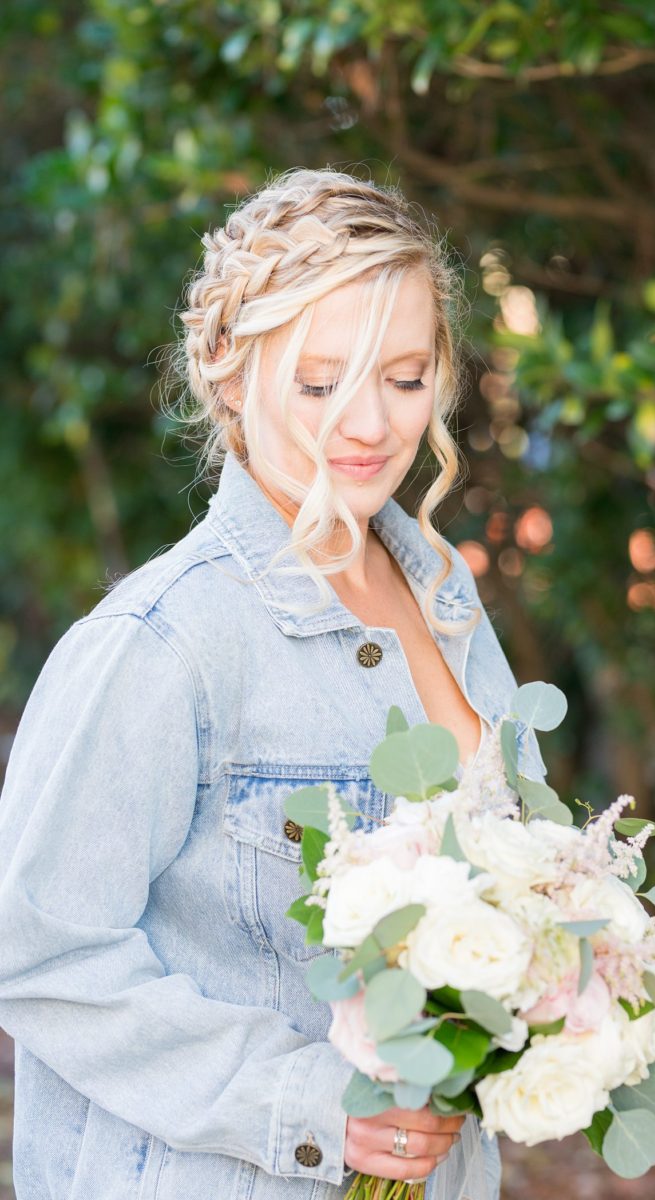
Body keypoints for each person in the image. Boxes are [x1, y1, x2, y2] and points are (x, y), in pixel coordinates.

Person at [0, 166, 546, 1199]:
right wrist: (314, 1110)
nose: (370, 424)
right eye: (319, 380)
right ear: (226, 367)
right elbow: (36, 954)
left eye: (404, 376)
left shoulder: (449, 604)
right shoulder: (161, 645)